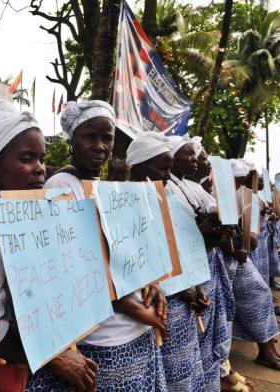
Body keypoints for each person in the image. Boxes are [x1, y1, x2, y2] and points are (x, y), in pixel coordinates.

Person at [0, 98, 99, 391]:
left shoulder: (40, 218)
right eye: (27, 158)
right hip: (6, 377)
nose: (40, 169)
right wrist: (54, 356)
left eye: (42, 159)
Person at [45, 101, 168, 392]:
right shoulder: (60, 187)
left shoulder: (107, 188)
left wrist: (154, 284)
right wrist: (139, 312)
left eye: (107, 137)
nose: (100, 145)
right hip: (103, 336)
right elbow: (79, 269)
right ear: (72, 139)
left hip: (135, 329)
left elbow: (130, 253)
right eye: (90, 136)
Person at [126, 133, 207, 392]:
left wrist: (192, 285)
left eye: (169, 169)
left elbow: (178, 250)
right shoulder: (120, 205)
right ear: (138, 166)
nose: (167, 176)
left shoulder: (161, 198)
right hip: (149, 308)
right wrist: (179, 288)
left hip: (173, 299)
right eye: (162, 168)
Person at [166, 135, 233, 392]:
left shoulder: (188, 186)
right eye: (189, 154)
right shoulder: (167, 187)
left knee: (206, 336)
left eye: (197, 155)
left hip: (204, 267)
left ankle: (213, 380)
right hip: (187, 275)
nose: (195, 160)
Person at [230, 159, 280, 371]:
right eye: (241, 181)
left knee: (261, 296)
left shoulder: (243, 196)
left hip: (240, 256)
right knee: (255, 297)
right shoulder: (221, 197)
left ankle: (268, 346)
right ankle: (265, 351)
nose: (247, 185)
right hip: (229, 259)